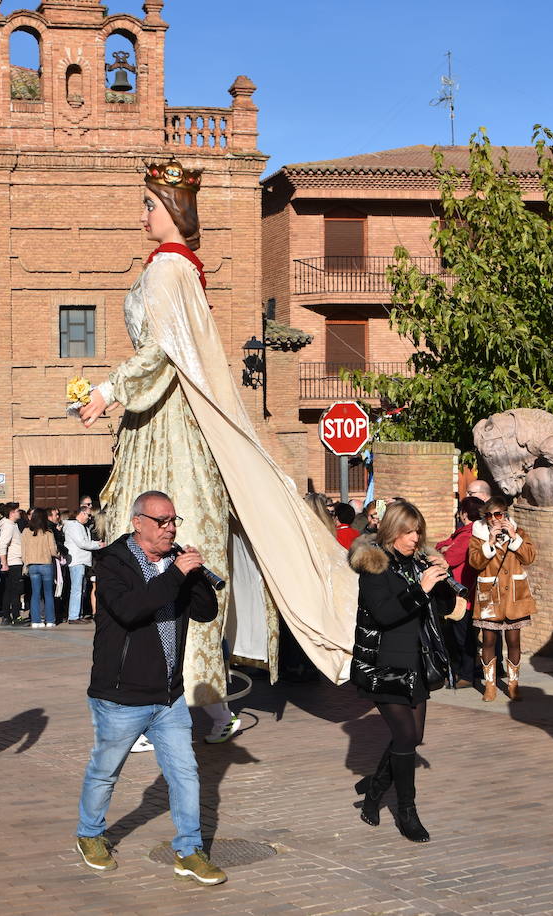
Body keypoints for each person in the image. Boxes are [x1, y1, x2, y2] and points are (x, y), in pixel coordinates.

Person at [77, 158, 355, 706]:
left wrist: (108, 391)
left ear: (172, 210)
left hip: (168, 418)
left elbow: (163, 351)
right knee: (178, 546)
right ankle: (201, 700)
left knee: (159, 548)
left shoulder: (166, 270)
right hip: (166, 415)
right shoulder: (180, 268)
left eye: (149, 205)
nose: (143, 215)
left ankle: (171, 697)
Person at [74, 491, 225, 885]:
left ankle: (189, 850)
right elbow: (130, 609)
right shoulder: (112, 563)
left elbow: (207, 613)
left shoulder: (175, 564)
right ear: (138, 522)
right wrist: (175, 575)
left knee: (186, 774)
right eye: (162, 521)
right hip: (121, 695)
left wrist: (192, 576)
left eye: (174, 520)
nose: (170, 528)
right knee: (107, 771)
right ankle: (90, 834)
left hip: (169, 696)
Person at [349, 500, 451, 842]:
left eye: (418, 530)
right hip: (383, 665)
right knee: (405, 737)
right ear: (393, 531)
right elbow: (386, 615)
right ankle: (407, 812)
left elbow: (445, 607)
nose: (415, 537)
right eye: (408, 531)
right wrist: (420, 588)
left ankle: (375, 792)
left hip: (416, 662)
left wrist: (442, 577)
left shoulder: (417, 563)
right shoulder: (374, 566)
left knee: (413, 736)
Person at [468, 498, 537, 701]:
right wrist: (489, 543)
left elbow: (529, 558)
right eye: (488, 515)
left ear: (505, 515)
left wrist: (515, 538)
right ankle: (490, 686)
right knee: (488, 639)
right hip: (489, 594)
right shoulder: (478, 536)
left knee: (514, 640)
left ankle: (513, 684)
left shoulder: (519, 532)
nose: (493, 519)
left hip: (515, 594)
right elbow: (474, 562)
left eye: (497, 514)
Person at [436, 496, 482, 688]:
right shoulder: (463, 532)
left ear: (464, 514)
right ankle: (459, 672)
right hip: (461, 594)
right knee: (459, 636)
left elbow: (449, 556)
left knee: (463, 637)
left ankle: (466, 674)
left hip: (463, 594)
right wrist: (444, 547)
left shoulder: (467, 535)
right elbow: (440, 546)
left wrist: (445, 549)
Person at [63, 506, 104, 624]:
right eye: (88, 515)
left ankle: (78, 614)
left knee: (81, 589)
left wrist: (96, 543)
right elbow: (82, 543)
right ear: (82, 513)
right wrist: (98, 545)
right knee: (76, 589)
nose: (89, 517)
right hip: (77, 561)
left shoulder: (81, 526)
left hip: (82, 561)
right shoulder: (74, 526)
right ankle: (73, 616)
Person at [22, 508, 59, 628]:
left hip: (32, 565)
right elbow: (53, 551)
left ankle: (36, 620)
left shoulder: (26, 531)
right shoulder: (48, 532)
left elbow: (23, 551)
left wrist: (26, 562)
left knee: (35, 593)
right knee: (48, 593)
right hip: (46, 564)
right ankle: (50, 620)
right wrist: (58, 555)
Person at [0, 504, 26, 626]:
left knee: (8, 591)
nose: (19, 513)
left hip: (13, 561)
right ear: (12, 513)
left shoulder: (11, 525)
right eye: (18, 511)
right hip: (13, 562)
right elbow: (2, 544)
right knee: (15, 591)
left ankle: (6, 617)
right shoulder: (9, 526)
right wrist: (4, 563)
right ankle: (16, 617)